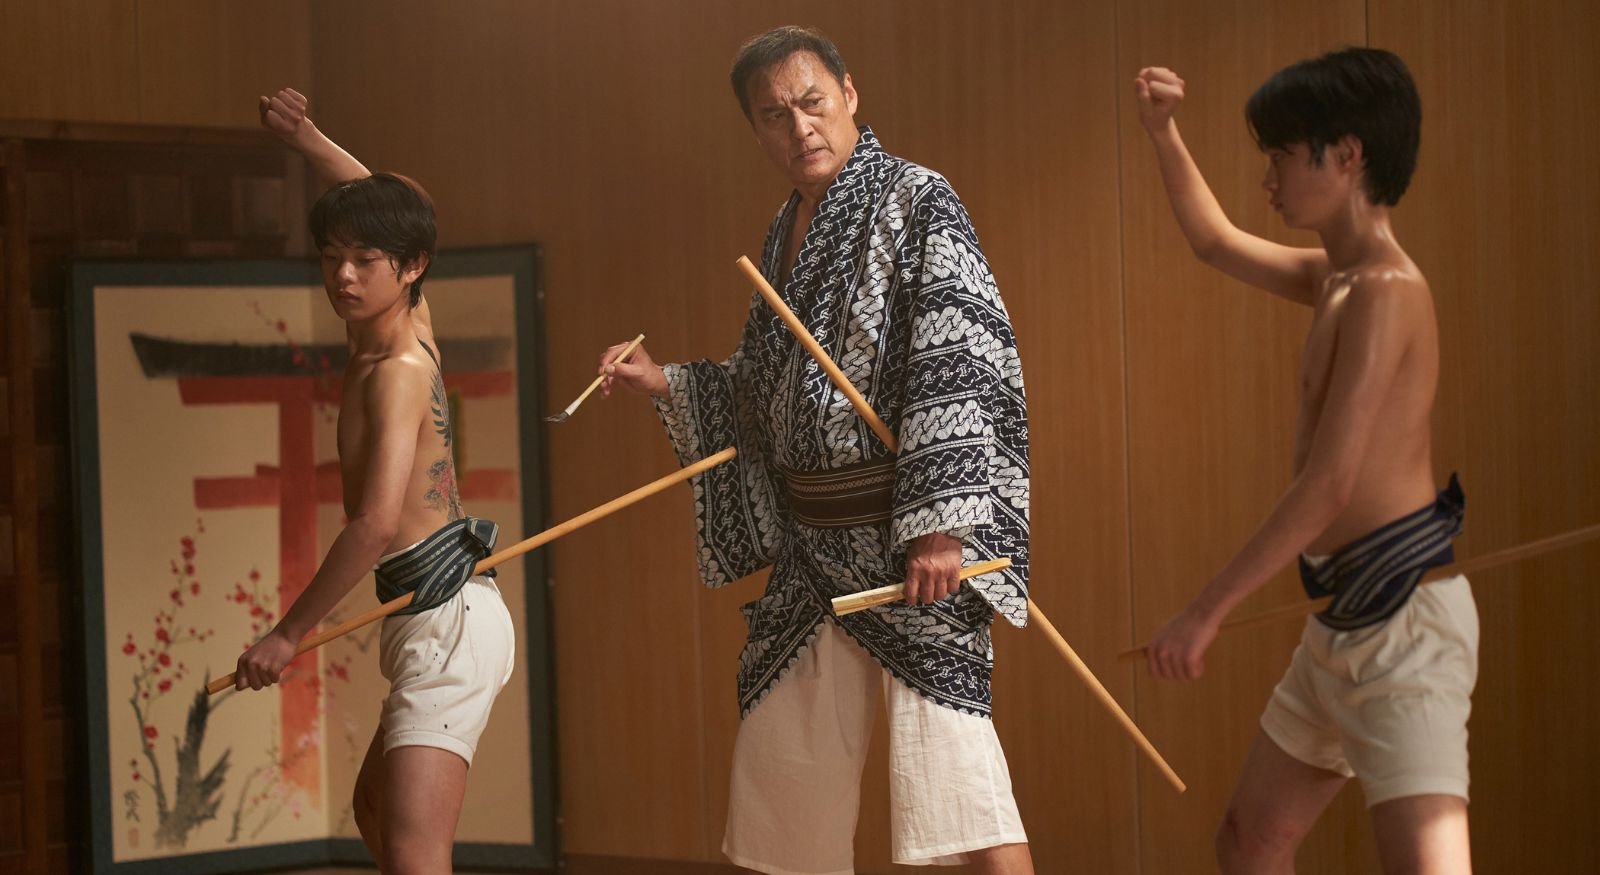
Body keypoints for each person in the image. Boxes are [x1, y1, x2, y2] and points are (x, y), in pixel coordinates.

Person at [600, 26, 1034, 875]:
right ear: (755, 129)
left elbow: (958, 355)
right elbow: (766, 387)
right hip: (813, 552)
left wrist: (941, 523)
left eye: (812, 103)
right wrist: (668, 383)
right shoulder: (782, 232)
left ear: (849, 95)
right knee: (782, 788)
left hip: (909, 542)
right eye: (775, 115)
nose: (799, 127)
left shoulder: (918, 199)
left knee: (962, 795)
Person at [1135, 50, 1476, 873]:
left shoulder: (1389, 290)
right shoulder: (1338, 279)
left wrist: (1205, 611)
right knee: (1250, 841)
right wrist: (1163, 132)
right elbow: (1214, 242)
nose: (1270, 179)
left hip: (1405, 629)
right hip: (1342, 620)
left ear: (1347, 154)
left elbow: (1329, 486)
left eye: (1283, 156)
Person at [234, 88, 516, 874]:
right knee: (375, 812)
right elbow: (382, 206)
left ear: (412, 267)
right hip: (429, 613)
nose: (345, 276)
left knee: (415, 852)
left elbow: (374, 524)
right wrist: (308, 138)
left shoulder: (398, 368)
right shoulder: (397, 320)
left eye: (364, 261)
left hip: (449, 618)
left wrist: (287, 633)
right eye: (332, 258)